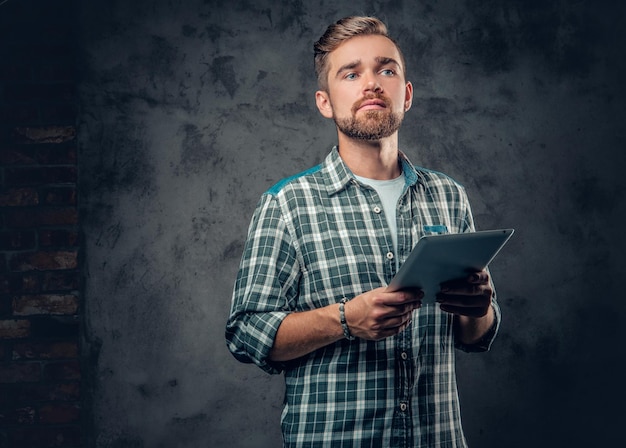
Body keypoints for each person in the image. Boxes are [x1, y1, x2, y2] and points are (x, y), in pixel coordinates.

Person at [226, 15, 500, 448]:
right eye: (350, 74)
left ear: (405, 95)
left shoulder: (450, 196)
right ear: (325, 102)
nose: (371, 84)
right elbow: (246, 334)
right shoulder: (286, 204)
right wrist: (344, 320)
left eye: (386, 69)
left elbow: (476, 336)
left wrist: (479, 307)